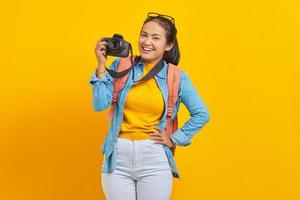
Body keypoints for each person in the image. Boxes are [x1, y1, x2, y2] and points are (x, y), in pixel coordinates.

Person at [89, 12, 210, 200]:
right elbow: (99, 104)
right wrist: (101, 66)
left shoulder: (175, 76)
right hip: (117, 156)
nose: (147, 42)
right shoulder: (121, 66)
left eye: (155, 38)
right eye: (143, 35)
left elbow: (201, 114)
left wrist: (173, 139)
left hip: (153, 157)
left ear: (168, 45)